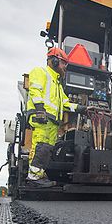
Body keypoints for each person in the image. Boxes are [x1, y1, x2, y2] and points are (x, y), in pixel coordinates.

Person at [26, 47, 82, 187]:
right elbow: (35, 91)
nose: (65, 67)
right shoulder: (41, 72)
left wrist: (83, 109)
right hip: (42, 117)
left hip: (52, 121)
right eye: (64, 63)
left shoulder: (57, 84)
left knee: (48, 148)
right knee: (42, 146)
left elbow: (65, 103)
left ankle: (39, 174)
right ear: (55, 61)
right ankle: (33, 178)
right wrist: (40, 110)